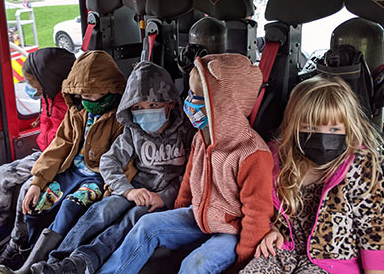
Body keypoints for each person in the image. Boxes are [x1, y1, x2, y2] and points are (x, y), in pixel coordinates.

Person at [97, 53, 274, 274]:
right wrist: (177, 211)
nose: (189, 101)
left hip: (230, 230)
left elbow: (257, 214)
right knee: (146, 226)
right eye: (191, 94)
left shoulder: (252, 154)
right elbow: (190, 180)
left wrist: (243, 262)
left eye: (199, 96)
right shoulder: (202, 136)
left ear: (224, 103)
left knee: (195, 265)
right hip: (198, 216)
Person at [30, 61, 193, 274]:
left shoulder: (187, 134)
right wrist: (128, 190)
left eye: (153, 105)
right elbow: (109, 162)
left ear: (170, 103)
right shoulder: (133, 132)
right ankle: (58, 262)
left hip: (162, 197)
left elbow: (192, 175)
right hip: (134, 188)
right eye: (138, 108)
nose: (145, 112)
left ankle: (82, 261)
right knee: (102, 210)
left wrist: (164, 197)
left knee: (132, 219)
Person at [0, 51, 135, 274]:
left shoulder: (119, 119)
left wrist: (113, 191)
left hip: (98, 177)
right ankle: (27, 249)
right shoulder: (77, 112)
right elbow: (60, 145)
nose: (86, 100)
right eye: (82, 94)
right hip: (72, 170)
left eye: (92, 94)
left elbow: (121, 159)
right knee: (38, 202)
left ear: (110, 89)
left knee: (70, 206)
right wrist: (38, 180)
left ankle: (38, 262)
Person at [240, 75, 384, 274]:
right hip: (283, 252)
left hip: (331, 262)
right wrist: (269, 229)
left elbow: (371, 228)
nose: (323, 138)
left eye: (334, 128)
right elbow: (258, 204)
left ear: (348, 128)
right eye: (309, 128)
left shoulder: (359, 165)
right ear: (294, 126)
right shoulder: (275, 158)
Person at [0, 48, 75, 247]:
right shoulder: (48, 98)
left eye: (35, 85)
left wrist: (42, 171)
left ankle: (19, 243)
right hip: (44, 154)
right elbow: (45, 125)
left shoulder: (72, 104)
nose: (33, 90)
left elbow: (66, 144)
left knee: (28, 189)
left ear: (49, 81)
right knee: (3, 173)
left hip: (63, 160)